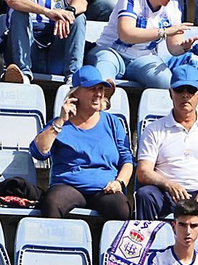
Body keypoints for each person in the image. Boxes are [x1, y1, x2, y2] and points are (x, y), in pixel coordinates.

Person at [135, 65, 198, 223]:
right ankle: (146, 244)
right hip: (168, 195)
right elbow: (143, 172)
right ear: (170, 93)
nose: (185, 95)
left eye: (191, 90)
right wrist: (168, 184)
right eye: (179, 90)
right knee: (145, 195)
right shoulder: (154, 129)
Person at [31, 65, 132, 220]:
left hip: (105, 189)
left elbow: (127, 160)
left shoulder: (113, 122)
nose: (98, 94)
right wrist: (61, 121)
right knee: (52, 203)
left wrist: (120, 183)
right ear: (76, 93)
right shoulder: (60, 124)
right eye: (92, 89)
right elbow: (39, 152)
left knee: (121, 208)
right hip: (69, 187)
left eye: (101, 89)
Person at [93, 0, 197, 89]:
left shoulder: (173, 5)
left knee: (167, 84)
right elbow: (126, 34)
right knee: (102, 81)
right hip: (111, 52)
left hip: (143, 58)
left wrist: (184, 47)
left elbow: (173, 48)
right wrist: (164, 32)